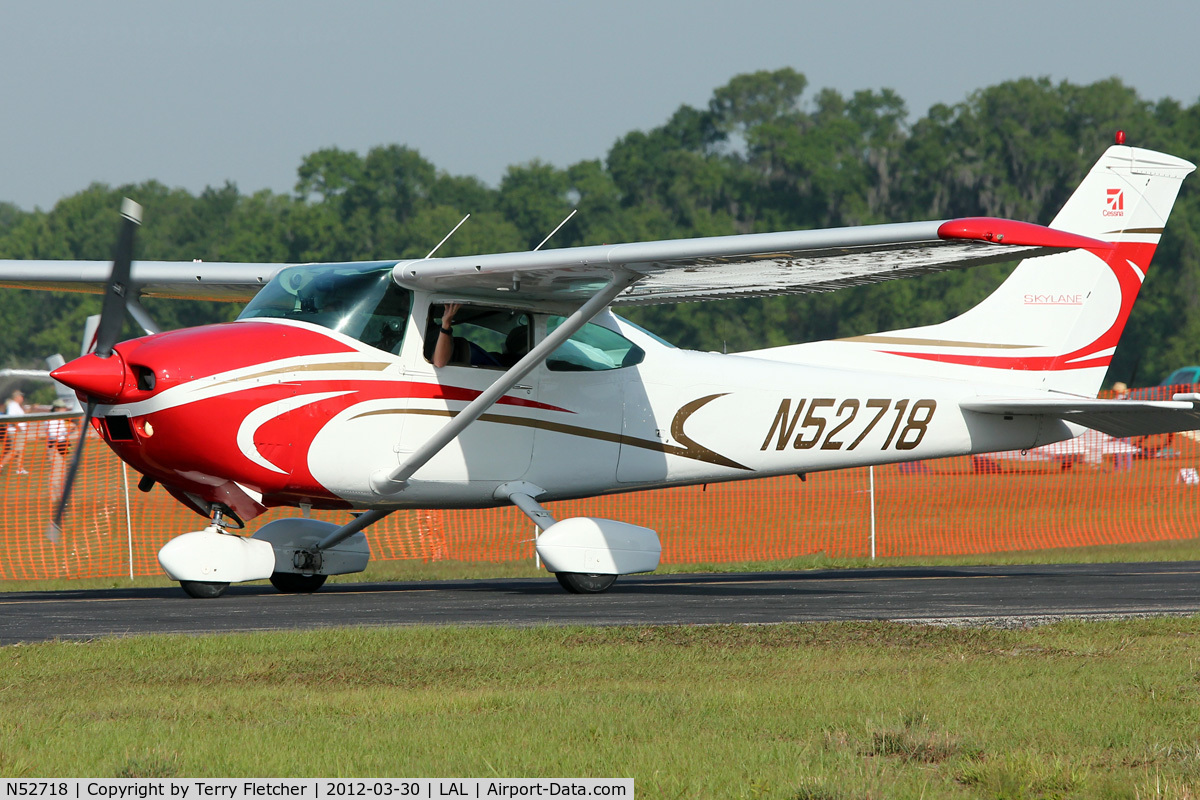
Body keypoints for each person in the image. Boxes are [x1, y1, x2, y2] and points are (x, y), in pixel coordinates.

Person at [46, 398, 75, 505]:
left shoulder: (60, 419)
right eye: (63, 408)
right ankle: (53, 498)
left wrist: (69, 430)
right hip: (54, 447)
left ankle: (60, 496)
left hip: (61, 446)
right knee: (56, 473)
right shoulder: (51, 419)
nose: (64, 409)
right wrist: (67, 429)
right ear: (57, 408)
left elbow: (62, 433)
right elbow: (53, 434)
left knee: (62, 472)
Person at [0, 390, 28, 474]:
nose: (22, 398)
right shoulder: (13, 405)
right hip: (15, 431)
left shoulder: (16, 405)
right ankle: (0, 465)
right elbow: (11, 418)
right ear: (16, 397)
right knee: (15, 451)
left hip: (19, 431)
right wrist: (18, 427)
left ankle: (20, 468)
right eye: (20, 396)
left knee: (19, 451)